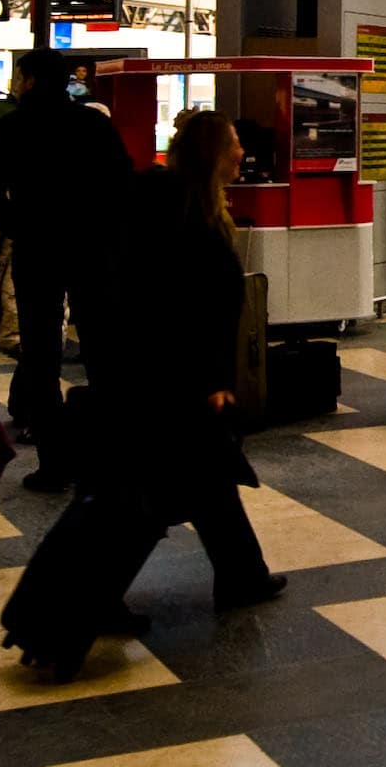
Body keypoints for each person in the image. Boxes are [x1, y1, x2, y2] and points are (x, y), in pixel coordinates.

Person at [33, 108, 286, 636]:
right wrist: (209, 381)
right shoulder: (183, 214)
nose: (242, 152)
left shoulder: (174, 202)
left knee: (206, 477)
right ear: (212, 154)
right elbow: (184, 309)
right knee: (147, 496)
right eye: (233, 143)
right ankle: (93, 598)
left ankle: (243, 573)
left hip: (154, 373)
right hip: (167, 379)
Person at [0, 52, 135, 481]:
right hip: (92, 251)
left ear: (27, 81)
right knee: (103, 352)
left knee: (41, 357)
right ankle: (111, 455)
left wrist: (17, 222)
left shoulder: (11, 127)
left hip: (37, 251)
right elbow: (123, 186)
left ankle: (54, 462)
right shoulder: (93, 125)